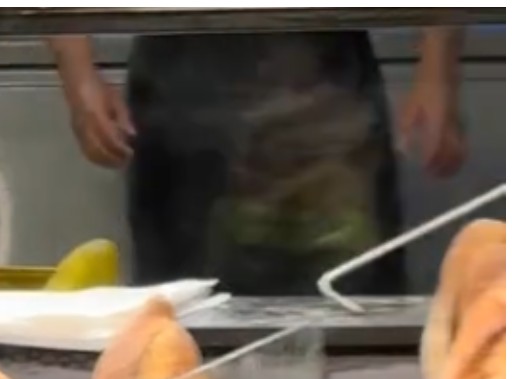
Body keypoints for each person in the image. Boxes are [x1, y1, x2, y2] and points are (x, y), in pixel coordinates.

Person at [50, 29, 467, 295]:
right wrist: (77, 73)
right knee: (186, 331)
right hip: (184, 100)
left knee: (353, 316)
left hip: (331, 104)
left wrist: (438, 70)